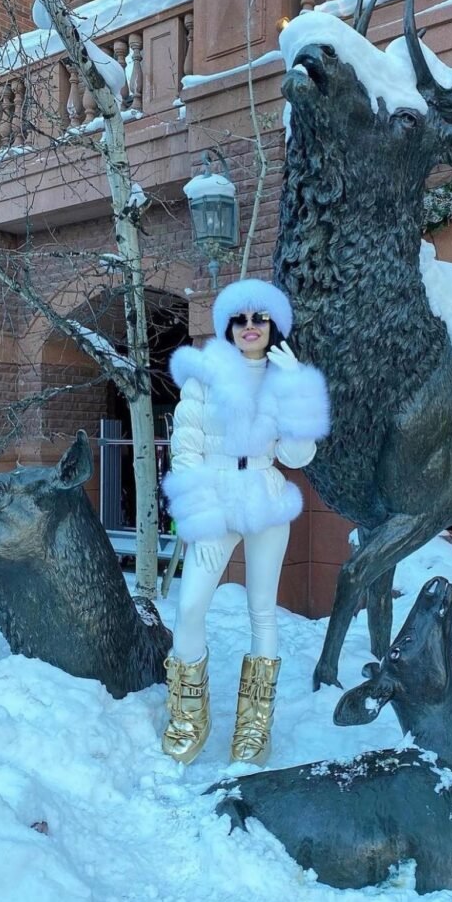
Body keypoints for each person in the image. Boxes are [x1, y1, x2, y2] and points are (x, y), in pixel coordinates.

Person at [161, 278, 330, 766]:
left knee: (263, 611)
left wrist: (297, 387)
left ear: (273, 324)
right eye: (241, 318)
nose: (250, 326)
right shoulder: (204, 375)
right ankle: (189, 713)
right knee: (191, 605)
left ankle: (255, 725)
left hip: (264, 494)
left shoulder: (282, 379)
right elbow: (185, 448)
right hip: (214, 495)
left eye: (260, 318)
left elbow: (297, 455)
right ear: (227, 326)